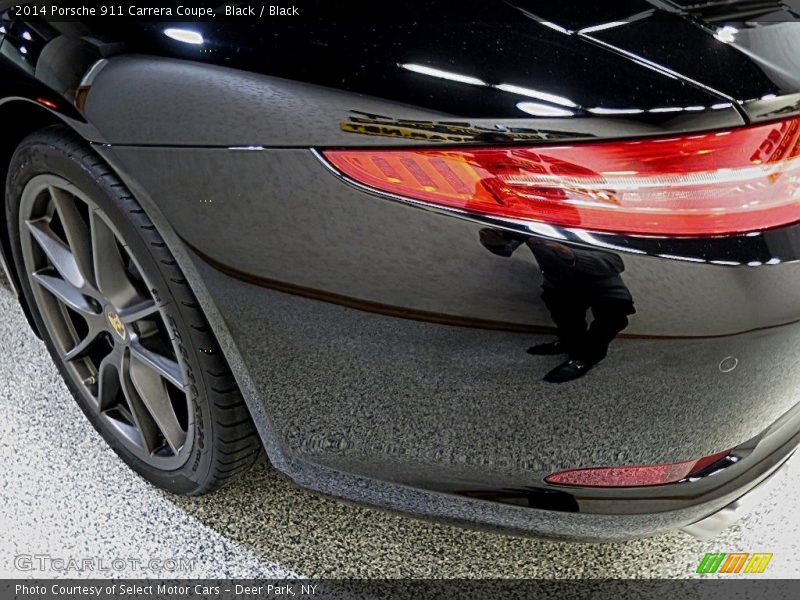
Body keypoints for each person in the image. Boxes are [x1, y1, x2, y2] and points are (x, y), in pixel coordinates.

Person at [479, 228, 635, 383]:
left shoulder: (592, 220)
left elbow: (616, 262)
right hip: (560, 284)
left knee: (613, 318)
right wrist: (495, 243)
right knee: (564, 316)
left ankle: (586, 358)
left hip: (605, 287)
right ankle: (568, 343)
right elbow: (507, 247)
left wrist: (572, 255)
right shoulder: (531, 221)